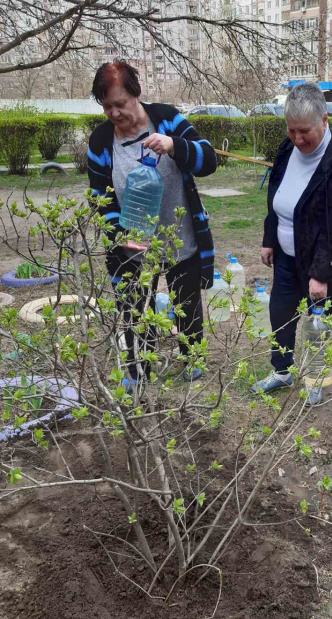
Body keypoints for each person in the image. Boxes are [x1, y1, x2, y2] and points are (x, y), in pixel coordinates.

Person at [87, 60, 217, 387]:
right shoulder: (101, 142)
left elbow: (208, 160)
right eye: (107, 107)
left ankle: (192, 360)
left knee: (186, 305)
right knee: (135, 312)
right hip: (133, 248)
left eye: (120, 104)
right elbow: (98, 197)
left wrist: (175, 146)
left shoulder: (167, 118)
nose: (114, 113)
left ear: (136, 94)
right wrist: (121, 236)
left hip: (179, 236)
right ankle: (139, 371)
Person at [252, 82, 332, 405]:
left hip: (323, 262)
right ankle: (282, 370)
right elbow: (276, 197)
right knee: (280, 313)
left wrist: (321, 273)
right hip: (287, 256)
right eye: (292, 130)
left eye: (305, 132)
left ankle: (315, 376)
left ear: (324, 120)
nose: (298, 139)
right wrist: (270, 238)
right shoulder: (288, 150)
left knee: (320, 323)